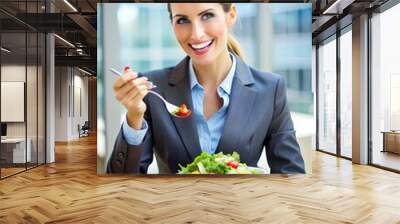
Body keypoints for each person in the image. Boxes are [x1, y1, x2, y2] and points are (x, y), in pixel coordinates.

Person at [107, 3, 305, 174]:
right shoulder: (153, 90)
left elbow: (291, 175)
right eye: (182, 20)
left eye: (207, 15)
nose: (196, 34)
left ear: (231, 15)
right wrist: (134, 116)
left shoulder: (270, 90)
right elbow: (121, 182)